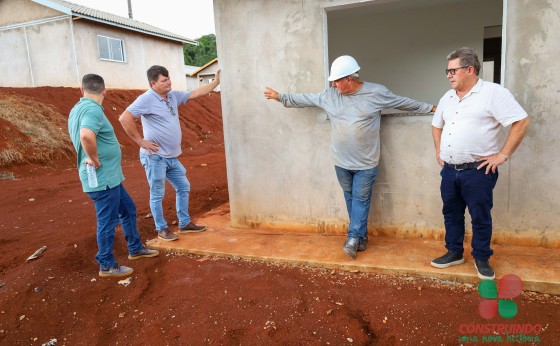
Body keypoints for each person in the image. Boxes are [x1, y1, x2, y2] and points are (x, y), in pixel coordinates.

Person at [264, 55, 436, 259]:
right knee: (351, 199)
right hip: (341, 162)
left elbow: (403, 103)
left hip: (366, 163)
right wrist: (280, 97)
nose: (334, 85)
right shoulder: (330, 95)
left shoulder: (376, 92)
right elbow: (306, 99)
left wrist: (431, 108)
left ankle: (353, 238)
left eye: (337, 81)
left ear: (349, 79)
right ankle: (361, 239)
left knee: (361, 200)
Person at [430, 47, 530, 280]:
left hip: (478, 171)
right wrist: (439, 150)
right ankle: (454, 252)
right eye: (447, 71)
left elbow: (521, 121)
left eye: (453, 70)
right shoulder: (447, 97)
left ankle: (482, 257)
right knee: (451, 213)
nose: (448, 75)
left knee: (480, 215)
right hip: (449, 170)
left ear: (470, 69)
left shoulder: (494, 93)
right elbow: (437, 124)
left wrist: (502, 155)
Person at [68, 74, 159, 278]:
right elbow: (85, 135)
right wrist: (95, 158)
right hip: (103, 179)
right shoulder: (92, 109)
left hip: (110, 178)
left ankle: (135, 248)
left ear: (82, 91)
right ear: (105, 92)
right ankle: (106, 264)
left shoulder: (78, 108)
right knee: (107, 222)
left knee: (127, 210)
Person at [119, 65, 220, 242]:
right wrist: (141, 141)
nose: (169, 82)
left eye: (169, 78)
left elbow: (196, 93)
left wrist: (217, 81)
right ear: (153, 83)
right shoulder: (146, 99)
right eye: (164, 80)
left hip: (171, 157)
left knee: (183, 186)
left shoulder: (173, 96)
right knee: (157, 193)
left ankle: (184, 223)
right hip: (155, 157)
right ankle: (161, 229)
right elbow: (124, 118)